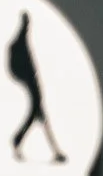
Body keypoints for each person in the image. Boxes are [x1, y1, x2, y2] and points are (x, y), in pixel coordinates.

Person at [8, 12, 66, 163]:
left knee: (39, 116)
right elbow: (25, 67)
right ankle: (20, 141)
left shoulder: (20, 42)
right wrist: (29, 80)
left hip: (32, 84)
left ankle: (53, 150)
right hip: (31, 84)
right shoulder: (20, 43)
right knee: (39, 115)